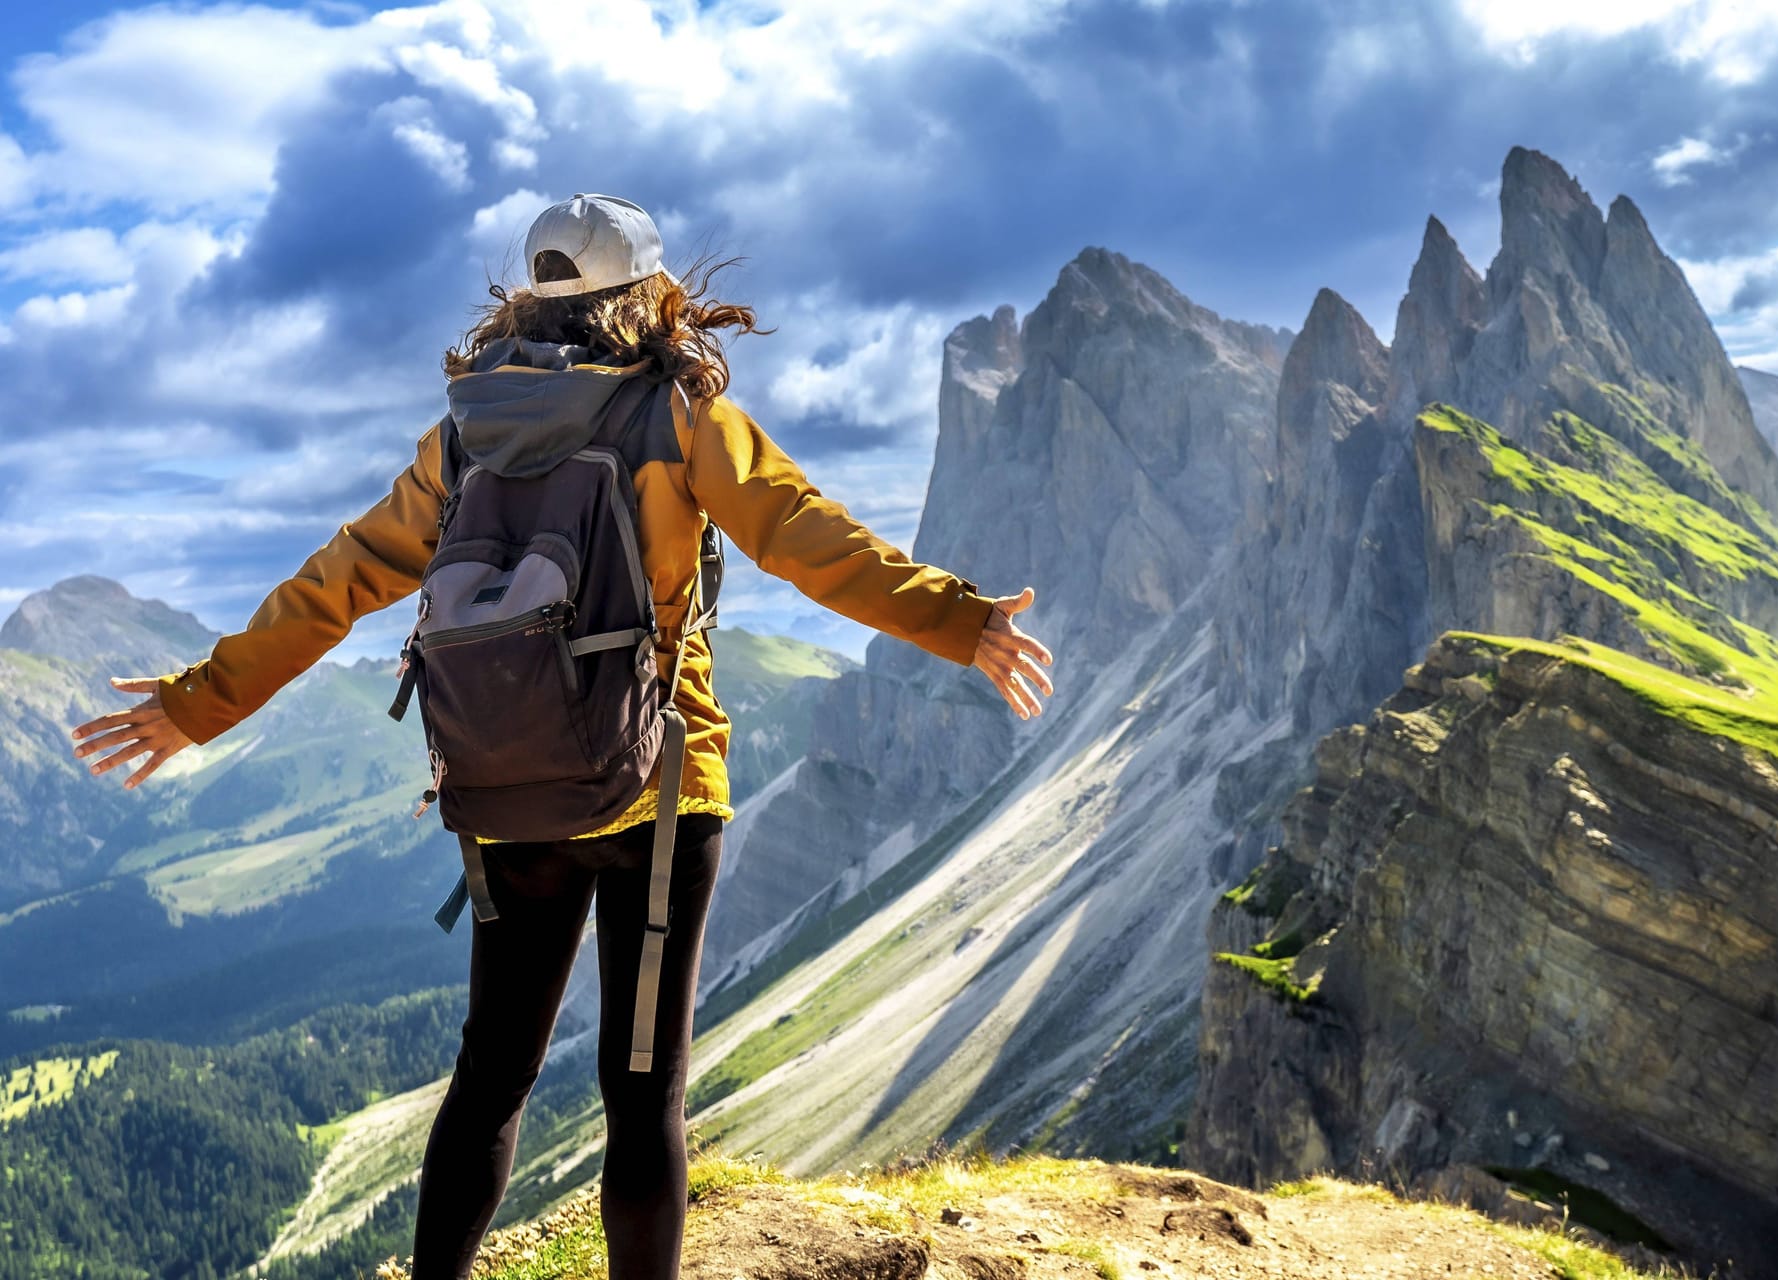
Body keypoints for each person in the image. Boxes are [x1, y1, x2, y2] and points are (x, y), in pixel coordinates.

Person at [67, 192, 1055, 1280]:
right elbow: (803, 532)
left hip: (506, 790)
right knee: (643, 1090)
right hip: (660, 791)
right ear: (649, 292)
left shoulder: (464, 432)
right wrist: (959, 620)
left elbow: (336, 582)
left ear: (528, 300)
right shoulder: (677, 416)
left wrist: (198, 700)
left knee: (491, 1074)